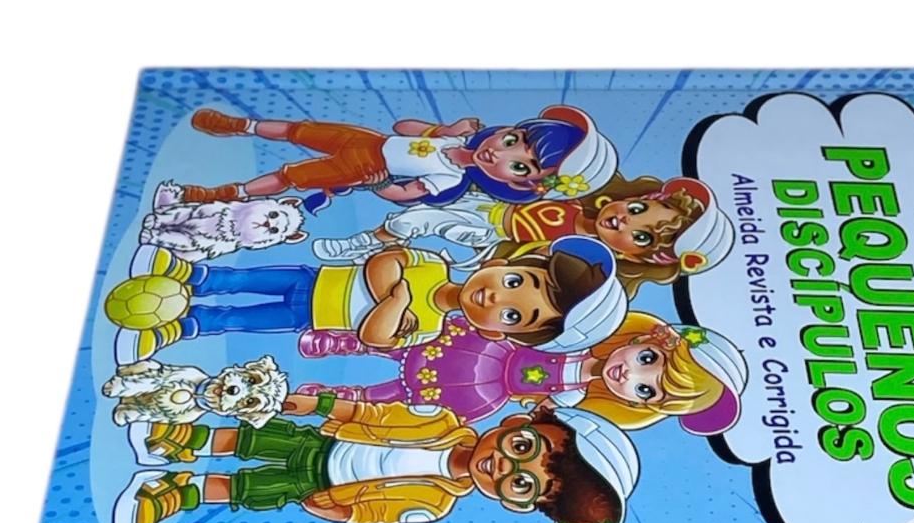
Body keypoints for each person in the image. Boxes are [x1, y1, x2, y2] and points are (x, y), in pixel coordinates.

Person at [115, 396, 639, 523]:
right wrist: (321, 404)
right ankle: (186, 440)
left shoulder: (434, 505)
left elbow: (380, 515)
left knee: (255, 490)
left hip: (323, 484)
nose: (502, 466)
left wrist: (343, 512)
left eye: (521, 482)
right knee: (256, 438)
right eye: (521, 447)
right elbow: (373, 413)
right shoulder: (440, 420)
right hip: (324, 440)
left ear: (516, 503)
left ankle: (180, 492)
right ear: (514, 423)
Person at [113, 236, 627, 364]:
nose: (497, 295)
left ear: (496, 331)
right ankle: (194, 275)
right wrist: (394, 295)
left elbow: (373, 336)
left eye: (513, 313)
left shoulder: (428, 327)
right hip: (314, 278)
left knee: (242, 321)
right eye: (515, 280)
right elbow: (384, 261)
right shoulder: (434, 265)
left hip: (307, 314)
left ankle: (189, 325)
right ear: (504, 260)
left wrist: (396, 303)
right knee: (246, 277)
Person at [297, 313, 748, 434]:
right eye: (647, 360)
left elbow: (550, 411)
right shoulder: (581, 332)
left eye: (645, 390)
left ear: (637, 404)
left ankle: (343, 394)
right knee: (414, 344)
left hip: (490, 392)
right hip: (491, 350)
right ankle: (346, 343)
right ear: (644, 338)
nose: (629, 374)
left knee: (407, 393)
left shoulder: (579, 400)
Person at [313, 176, 735, 298]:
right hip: (491, 206)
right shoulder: (581, 196)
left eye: (640, 237)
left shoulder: (579, 260)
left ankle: (363, 249)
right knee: (423, 203)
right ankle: (366, 226)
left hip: (491, 236)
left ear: (639, 260)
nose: (625, 220)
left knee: (421, 223)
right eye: (637, 209)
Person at [173, 105, 617, 208]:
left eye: (519, 165)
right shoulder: (458, 137)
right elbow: (404, 127)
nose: (500, 152)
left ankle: (226, 193)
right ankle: (240, 125)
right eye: (513, 139)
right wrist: (444, 131)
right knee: (297, 130)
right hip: (366, 140)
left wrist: (379, 184)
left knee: (292, 176)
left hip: (367, 165)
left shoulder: (450, 181)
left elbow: (405, 194)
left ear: (517, 182)